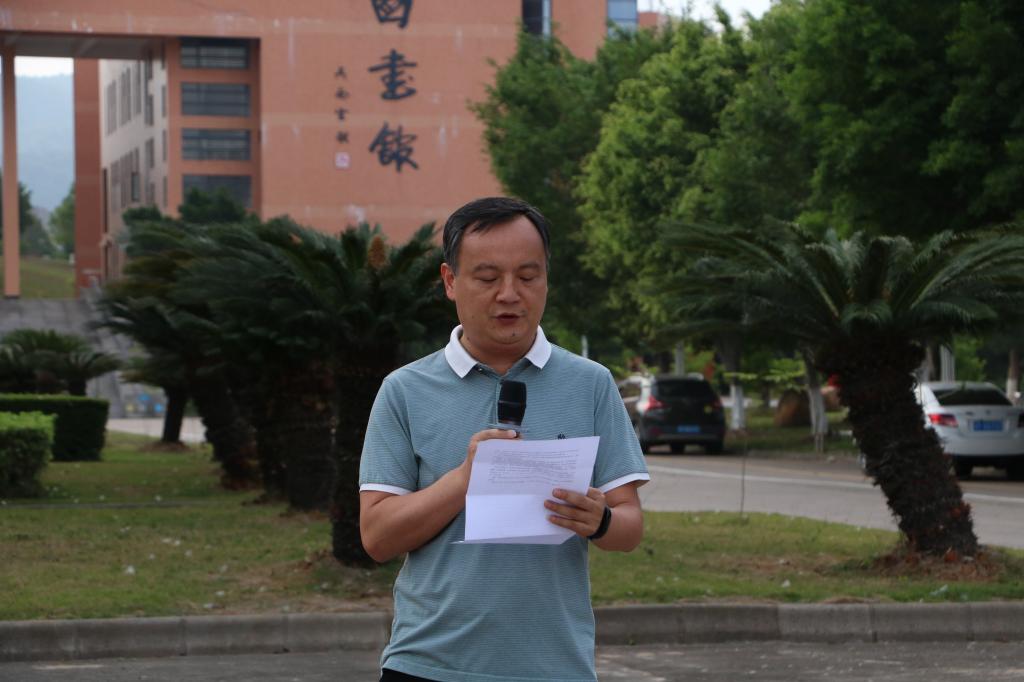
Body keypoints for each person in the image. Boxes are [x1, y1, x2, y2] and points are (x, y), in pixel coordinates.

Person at [359, 196, 650, 682]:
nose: (510, 294)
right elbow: (376, 538)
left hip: (553, 667)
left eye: (528, 276)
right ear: (450, 281)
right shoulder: (405, 390)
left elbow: (630, 526)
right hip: (427, 665)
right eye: (488, 277)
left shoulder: (591, 384)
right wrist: (465, 479)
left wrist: (599, 521)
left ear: (546, 279)